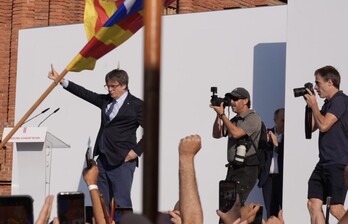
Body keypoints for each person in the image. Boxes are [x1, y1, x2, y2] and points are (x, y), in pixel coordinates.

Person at [48, 65, 143, 211]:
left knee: (121, 204)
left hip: (122, 161)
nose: (110, 89)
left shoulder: (137, 105)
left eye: (113, 86)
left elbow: (152, 131)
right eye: (108, 86)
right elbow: (85, 93)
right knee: (101, 204)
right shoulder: (106, 101)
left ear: (124, 85)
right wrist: (62, 80)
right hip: (103, 160)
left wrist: (135, 152)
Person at [304, 65, 348, 223]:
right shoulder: (327, 104)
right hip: (324, 162)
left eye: (318, 83)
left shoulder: (341, 101)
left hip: (338, 163)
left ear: (330, 82)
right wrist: (310, 108)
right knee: (313, 203)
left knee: (336, 208)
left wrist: (314, 105)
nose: (315, 87)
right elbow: (312, 128)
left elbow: (324, 125)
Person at [211, 87, 262, 204]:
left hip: (246, 169)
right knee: (226, 204)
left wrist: (223, 115)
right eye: (231, 99)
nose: (232, 102)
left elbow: (236, 133)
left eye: (236, 99)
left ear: (245, 101)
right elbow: (216, 134)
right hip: (233, 169)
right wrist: (218, 115)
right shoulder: (234, 120)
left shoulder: (253, 118)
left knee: (234, 204)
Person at [258, 108, 285, 218]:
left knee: (283, 211)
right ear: (275, 120)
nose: (285, 123)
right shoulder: (266, 134)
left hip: (282, 179)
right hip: (268, 179)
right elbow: (259, 154)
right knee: (270, 212)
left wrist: (276, 144)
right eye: (282, 120)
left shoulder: (290, 137)